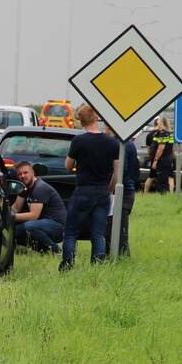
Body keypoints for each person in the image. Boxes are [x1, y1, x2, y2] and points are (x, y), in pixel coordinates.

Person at [60, 105, 119, 272]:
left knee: (71, 232)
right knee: (98, 234)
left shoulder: (79, 141)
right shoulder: (111, 143)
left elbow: (67, 166)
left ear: (80, 121)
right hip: (102, 192)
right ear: (96, 118)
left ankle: (67, 265)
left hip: (84, 190)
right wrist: (109, 188)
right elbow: (117, 171)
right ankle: (97, 268)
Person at [12, 161, 67, 253]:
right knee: (15, 231)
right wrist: (5, 214)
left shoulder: (40, 188)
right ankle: (44, 250)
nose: (22, 176)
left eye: (25, 173)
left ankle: (56, 251)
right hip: (42, 224)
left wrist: (11, 217)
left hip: (58, 227)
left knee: (29, 226)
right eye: (19, 174)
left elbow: (34, 216)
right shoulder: (25, 187)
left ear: (33, 173)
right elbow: (16, 207)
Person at [104, 124, 140, 257]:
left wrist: (110, 190)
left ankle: (121, 259)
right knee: (118, 229)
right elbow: (136, 170)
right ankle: (116, 257)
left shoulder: (118, 145)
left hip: (120, 193)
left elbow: (119, 172)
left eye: (105, 128)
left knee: (116, 231)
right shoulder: (129, 143)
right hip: (129, 190)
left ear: (109, 127)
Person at [150, 115, 175, 194]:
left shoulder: (163, 134)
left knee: (161, 181)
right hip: (168, 159)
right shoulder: (169, 134)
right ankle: (170, 195)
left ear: (161, 123)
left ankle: (163, 195)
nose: (157, 123)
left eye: (158, 122)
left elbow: (161, 148)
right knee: (169, 178)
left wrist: (155, 160)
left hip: (162, 160)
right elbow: (171, 148)